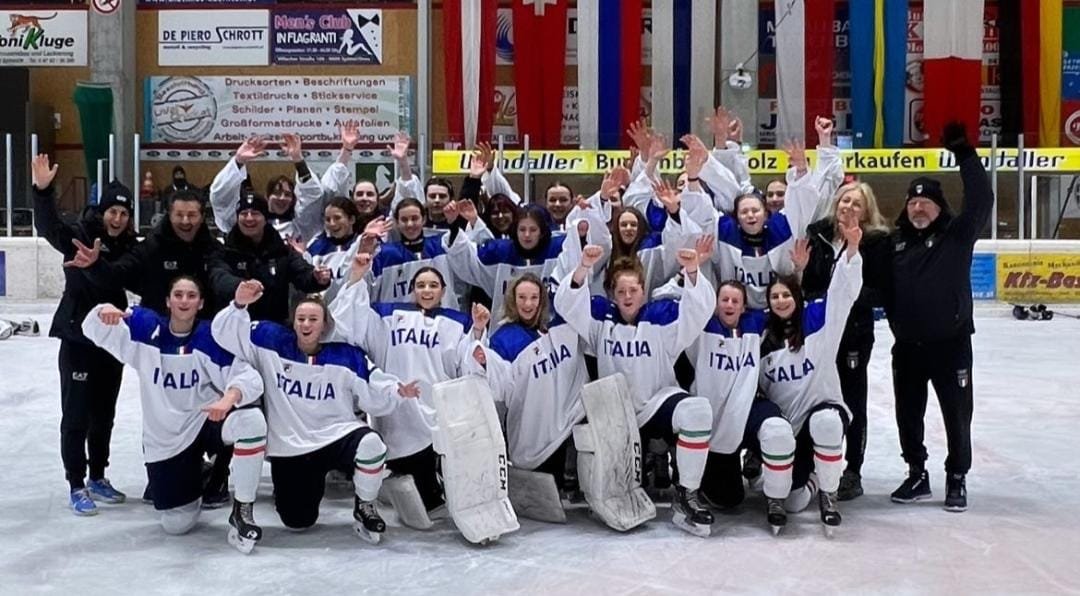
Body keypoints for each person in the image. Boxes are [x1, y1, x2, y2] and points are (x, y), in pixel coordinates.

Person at [212, 280, 422, 542]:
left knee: (371, 445)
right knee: (298, 521)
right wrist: (239, 304)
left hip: (337, 435)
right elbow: (226, 334)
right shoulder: (269, 340)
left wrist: (397, 390)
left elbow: (376, 381)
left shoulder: (346, 356)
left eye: (313, 319)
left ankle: (365, 506)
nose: (306, 324)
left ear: (325, 324)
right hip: (291, 446)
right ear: (293, 321)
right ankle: (252, 509)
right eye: (301, 318)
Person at [81, 277, 267, 551]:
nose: (184, 300)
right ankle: (203, 475)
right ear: (168, 301)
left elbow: (248, 378)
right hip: (165, 439)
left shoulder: (210, 337)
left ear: (200, 303)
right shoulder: (145, 329)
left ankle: (243, 509)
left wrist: (228, 399)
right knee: (176, 525)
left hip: (206, 420)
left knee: (251, 421)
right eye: (178, 295)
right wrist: (103, 309)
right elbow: (92, 328)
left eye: (191, 295)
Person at [555, 241, 717, 536]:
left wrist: (692, 270)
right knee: (625, 485)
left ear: (644, 290)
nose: (627, 296)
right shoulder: (599, 322)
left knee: (698, 411)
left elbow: (700, 310)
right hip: (616, 414)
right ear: (612, 295)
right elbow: (565, 303)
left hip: (656, 402)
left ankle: (687, 495)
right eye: (621, 291)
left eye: (633, 290)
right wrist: (583, 267)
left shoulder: (662, 317)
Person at [885, 122, 993, 513]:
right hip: (908, 348)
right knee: (907, 415)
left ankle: (956, 477)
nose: (918, 206)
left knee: (957, 414)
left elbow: (981, 200)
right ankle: (917, 473)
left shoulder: (958, 236)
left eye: (926, 201)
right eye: (913, 201)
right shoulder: (893, 243)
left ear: (939, 206)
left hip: (951, 346)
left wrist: (966, 156)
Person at [331, 252, 487, 518]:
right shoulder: (388, 314)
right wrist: (357, 275)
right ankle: (391, 478)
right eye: (421, 285)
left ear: (443, 290)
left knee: (437, 494)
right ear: (412, 290)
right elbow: (352, 322)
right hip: (398, 412)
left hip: (437, 411)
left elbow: (468, 362)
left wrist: (479, 331)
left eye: (433, 285)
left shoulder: (457, 322)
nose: (427, 290)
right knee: (418, 484)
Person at [32, 154, 138, 515]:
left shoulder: (130, 246)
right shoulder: (79, 236)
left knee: (103, 414)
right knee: (76, 414)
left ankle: (97, 476)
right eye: (113, 212)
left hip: (111, 343)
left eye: (124, 214)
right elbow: (48, 227)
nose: (118, 219)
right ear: (102, 210)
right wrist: (42, 191)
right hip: (78, 339)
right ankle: (76, 483)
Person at [758, 218, 863, 533]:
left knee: (826, 423)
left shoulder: (818, 320)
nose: (781, 301)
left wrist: (852, 248)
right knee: (793, 501)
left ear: (797, 298)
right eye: (774, 297)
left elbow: (842, 293)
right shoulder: (762, 337)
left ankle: (829, 493)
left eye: (786, 296)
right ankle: (815, 479)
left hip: (824, 410)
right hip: (792, 427)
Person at [801, 180, 892, 501]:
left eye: (856, 203)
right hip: (818, 333)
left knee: (853, 399)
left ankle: (853, 468)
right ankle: (815, 461)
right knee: (814, 396)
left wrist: (844, 296)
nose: (848, 207)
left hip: (854, 333)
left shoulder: (878, 242)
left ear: (867, 211)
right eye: (844, 200)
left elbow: (881, 291)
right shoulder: (819, 233)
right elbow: (809, 283)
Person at [683, 280, 796, 534]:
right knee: (728, 499)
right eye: (724, 300)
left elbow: (786, 306)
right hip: (714, 424)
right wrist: (691, 274)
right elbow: (680, 301)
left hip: (749, 410)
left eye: (735, 301)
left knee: (777, 431)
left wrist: (797, 271)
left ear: (744, 306)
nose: (730, 305)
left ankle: (775, 497)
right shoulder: (700, 328)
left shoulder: (755, 324)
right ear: (715, 304)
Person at [465, 273, 589, 491]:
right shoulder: (504, 338)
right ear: (513, 300)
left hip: (568, 419)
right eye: (522, 297)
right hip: (534, 433)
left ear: (542, 299)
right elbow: (499, 385)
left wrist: (584, 266)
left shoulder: (557, 326)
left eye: (533, 297)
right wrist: (483, 358)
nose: (528, 303)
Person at [66, 188, 223, 317]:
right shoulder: (151, 248)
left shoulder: (213, 250)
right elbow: (116, 275)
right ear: (169, 215)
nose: (185, 221)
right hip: (157, 337)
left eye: (192, 215)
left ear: (202, 217)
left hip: (203, 338)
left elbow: (226, 284)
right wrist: (94, 265)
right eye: (179, 215)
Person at [208, 191, 332, 324]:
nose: (249, 218)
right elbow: (218, 277)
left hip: (273, 327)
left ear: (265, 218)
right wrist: (240, 287)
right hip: (235, 326)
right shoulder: (225, 251)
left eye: (255, 213)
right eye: (244, 214)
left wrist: (316, 278)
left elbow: (302, 273)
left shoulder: (282, 251)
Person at [209, 133, 327, 243]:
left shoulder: (301, 227)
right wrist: (238, 161)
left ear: (294, 200)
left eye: (287, 194)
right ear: (267, 196)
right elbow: (220, 197)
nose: (282, 198)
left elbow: (312, 196)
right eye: (276, 193)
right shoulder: (247, 224)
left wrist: (298, 160)